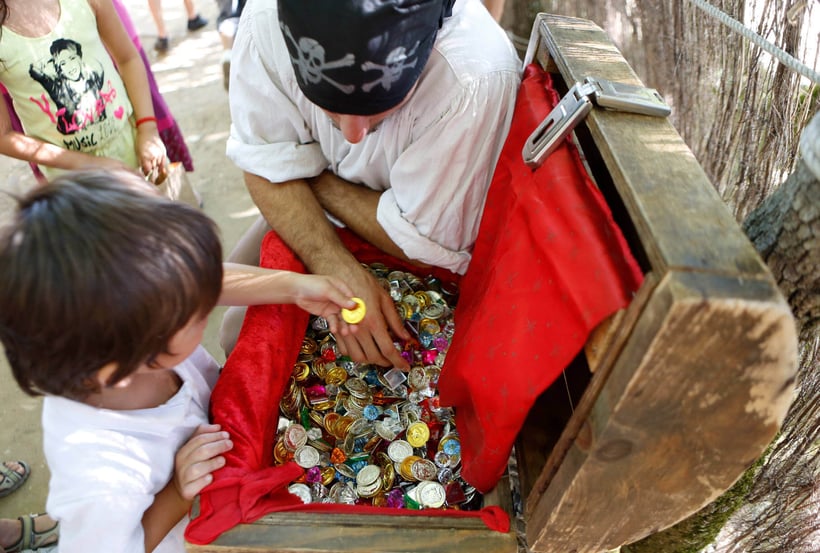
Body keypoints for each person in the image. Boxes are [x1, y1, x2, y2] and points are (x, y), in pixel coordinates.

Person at [0, 170, 357, 552]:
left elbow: (206, 282)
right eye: (194, 308)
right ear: (124, 359)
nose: (206, 299)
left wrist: (293, 286)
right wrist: (176, 492)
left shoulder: (125, 333)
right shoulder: (102, 479)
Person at [220, 0, 521, 365]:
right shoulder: (264, 19)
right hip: (331, 203)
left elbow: (424, 242)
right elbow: (262, 164)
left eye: (379, 107)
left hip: (411, 242)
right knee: (230, 327)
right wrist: (334, 264)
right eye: (328, 107)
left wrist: (306, 173)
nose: (353, 136)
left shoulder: (474, 77)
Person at [0, 0, 167, 184]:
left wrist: (148, 130)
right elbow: (3, 136)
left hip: (133, 149)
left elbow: (128, 59)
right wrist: (90, 164)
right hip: (74, 182)